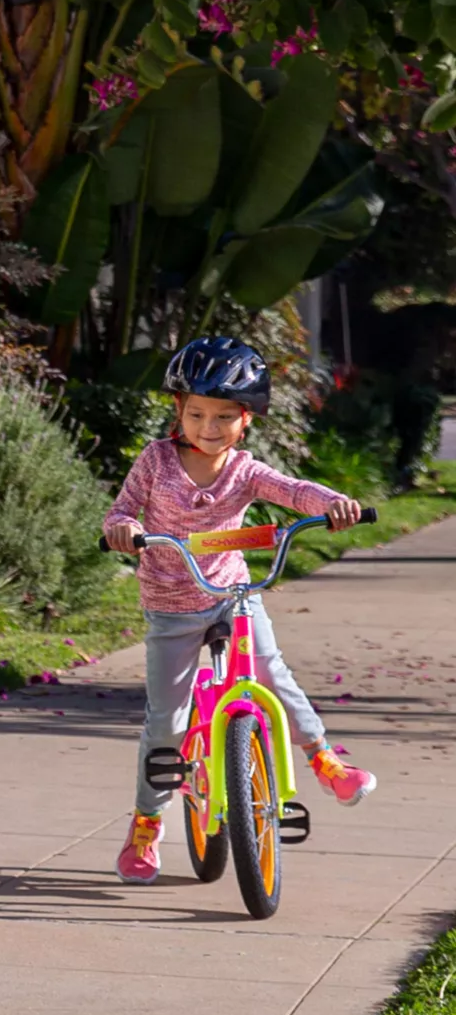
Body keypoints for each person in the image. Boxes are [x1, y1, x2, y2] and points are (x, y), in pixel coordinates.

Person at [103, 335, 378, 885]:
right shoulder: (156, 461)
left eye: (225, 416)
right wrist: (124, 530)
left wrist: (332, 504)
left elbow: (292, 490)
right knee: (167, 721)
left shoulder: (245, 470)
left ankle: (325, 761)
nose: (209, 427)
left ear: (246, 419)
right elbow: (123, 509)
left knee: (273, 675)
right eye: (197, 413)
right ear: (179, 410)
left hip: (233, 595)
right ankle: (146, 824)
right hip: (171, 605)